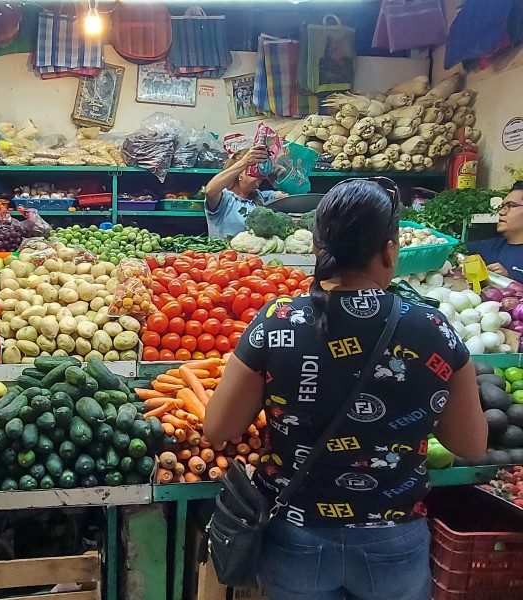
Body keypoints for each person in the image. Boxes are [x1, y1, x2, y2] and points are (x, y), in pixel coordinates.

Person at [205, 178, 487, 600]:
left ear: (318, 249)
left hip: (295, 533)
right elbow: (471, 445)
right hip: (392, 536)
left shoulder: (279, 320)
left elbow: (218, 428)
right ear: (391, 251)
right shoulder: (432, 329)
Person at [205, 145, 288, 240]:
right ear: (240, 173)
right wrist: (244, 162)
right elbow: (210, 191)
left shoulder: (259, 196)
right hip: (226, 253)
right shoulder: (225, 199)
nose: (261, 176)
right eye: (256, 170)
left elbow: (289, 198)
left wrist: (283, 179)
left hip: (256, 254)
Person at [467, 181, 523, 282]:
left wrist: (509, 282)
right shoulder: (489, 247)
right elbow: (455, 251)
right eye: (502, 207)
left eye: (511, 206)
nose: (501, 212)